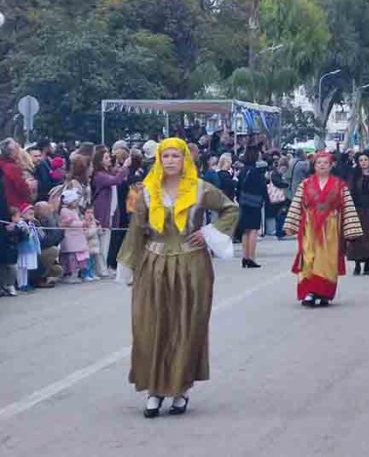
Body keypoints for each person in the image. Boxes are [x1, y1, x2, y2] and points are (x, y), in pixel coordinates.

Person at [116, 138, 238, 418]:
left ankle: (181, 389)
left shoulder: (199, 189)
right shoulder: (145, 190)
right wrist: (128, 267)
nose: (170, 160)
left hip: (191, 265)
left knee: (186, 325)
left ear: (185, 159)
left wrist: (208, 233)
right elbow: (136, 231)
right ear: (159, 159)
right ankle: (154, 391)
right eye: (166, 156)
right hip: (153, 264)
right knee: (150, 326)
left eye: (175, 155)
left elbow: (230, 209)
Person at [283, 153, 364, 306]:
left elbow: (348, 207)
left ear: (331, 165)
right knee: (308, 256)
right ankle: (308, 292)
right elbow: (296, 205)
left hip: (331, 226)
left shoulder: (340, 185)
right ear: (314, 165)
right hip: (309, 227)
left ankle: (324, 292)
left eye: (325, 163)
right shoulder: (305, 184)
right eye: (318, 162)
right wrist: (291, 225)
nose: (321, 165)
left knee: (328, 259)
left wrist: (351, 229)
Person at [92, 146, 129, 278]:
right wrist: (125, 167)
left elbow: (117, 174)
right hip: (103, 211)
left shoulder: (108, 172)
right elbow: (115, 180)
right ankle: (101, 269)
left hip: (112, 211)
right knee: (102, 243)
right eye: (106, 158)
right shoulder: (99, 175)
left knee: (108, 241)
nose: (109, 160)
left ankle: (106, 266)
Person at [236, 146, 268, 268]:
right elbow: (262, 187)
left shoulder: (243, 170)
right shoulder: (257, 171)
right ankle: (251, 257)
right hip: (255, 203)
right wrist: (264, 200)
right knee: (253, 230)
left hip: (244, 202)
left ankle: (245, 256)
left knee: (245, 230)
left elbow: (238, 187)